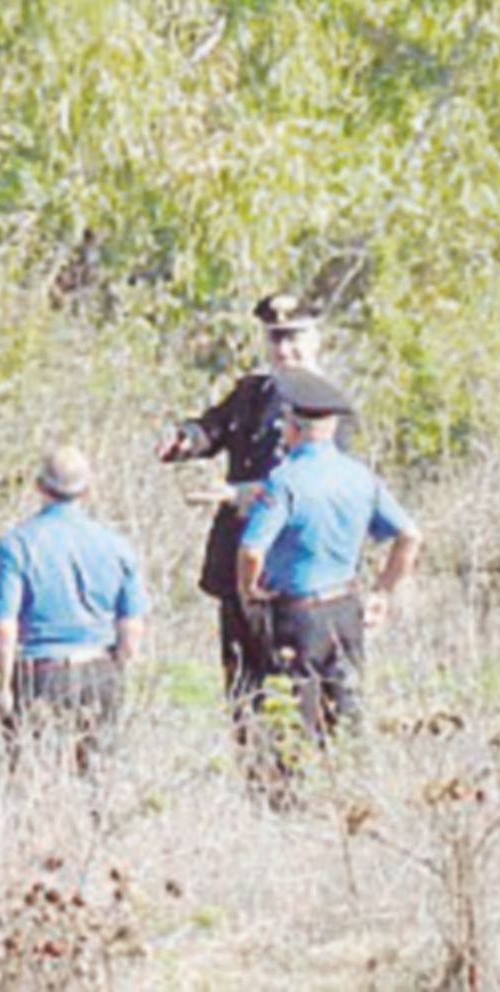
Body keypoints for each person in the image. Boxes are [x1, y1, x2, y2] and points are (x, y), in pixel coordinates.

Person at [157, 293, 339, 700]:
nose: (283, 349)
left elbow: (316, 485)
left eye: (294, 338)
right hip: (239, 563)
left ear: (316, 340)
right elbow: (215, 428)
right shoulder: (253, 391)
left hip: (293, 570)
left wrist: (238, 494)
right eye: (275, 338)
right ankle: (251, 762)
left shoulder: (327, 403)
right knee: (242, 688)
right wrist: (185, 439)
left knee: (294, 693)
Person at [237, 367, 422, 741]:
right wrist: (383, 591)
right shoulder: (359, 476)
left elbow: (251, 550)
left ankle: (298, 797)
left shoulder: (284, 481)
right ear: (333, 428)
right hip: (346, 609)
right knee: (347, 719)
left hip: (298, 616)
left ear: (291, 427)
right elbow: (410, 534)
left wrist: (248, 589)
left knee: (295, 726)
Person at [0, 445, 148, 772]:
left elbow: (3, 625)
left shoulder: (16, 546)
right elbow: (131, 626)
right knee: (98, 777)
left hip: (38, 674)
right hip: (99, 670)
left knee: (32, 777)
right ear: (87, 489)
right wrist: (120, 666)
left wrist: (1, 685)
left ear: (39, 487)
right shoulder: (117, 546)